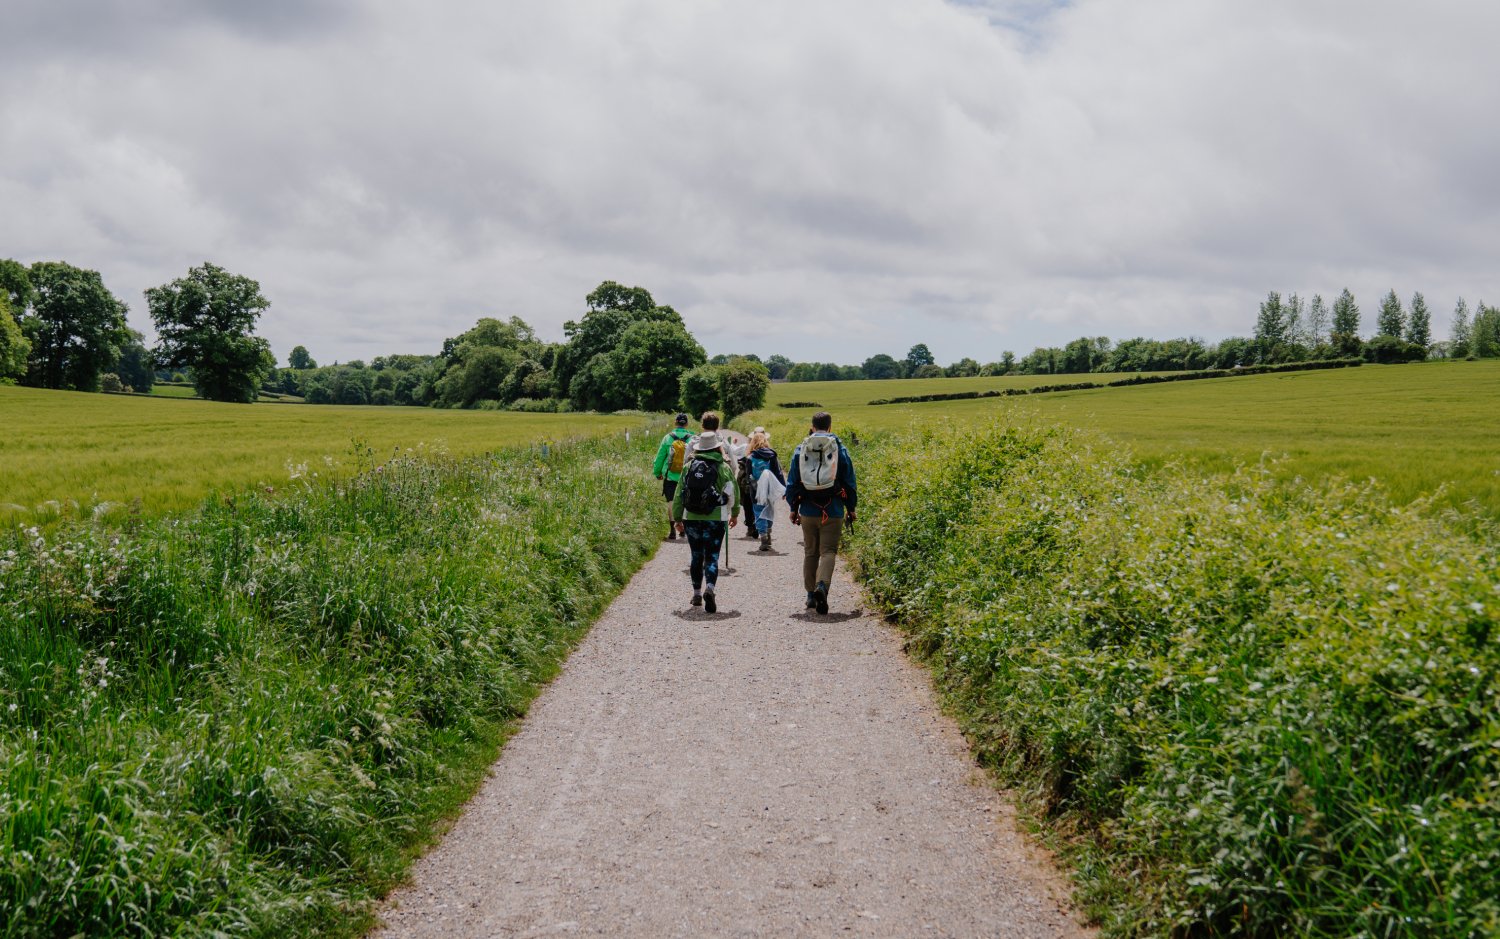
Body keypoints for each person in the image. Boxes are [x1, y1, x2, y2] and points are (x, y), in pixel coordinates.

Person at [784, 411, 857, 615]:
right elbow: (850, 482)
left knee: (810, 552)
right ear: (830, 427)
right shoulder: (839, 449)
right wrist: (851, 508)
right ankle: (822, 586)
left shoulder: (801, 449)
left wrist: (793, 508)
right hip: (833, 510)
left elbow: (792, 483)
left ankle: (810, 596)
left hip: (807, 509)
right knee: (829, 552)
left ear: (812, 426)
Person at [672, 430, 740, 612]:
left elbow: (679, 494)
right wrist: (734, 513)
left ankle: (696, 594)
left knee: (696, 555)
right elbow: (734, 491)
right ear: (718, 447)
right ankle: (709, 588)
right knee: (712, 556)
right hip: (715, 518)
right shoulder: (723, 467)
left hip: (692, 518)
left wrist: (677, 518)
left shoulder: (688, 467)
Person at [652, 413, 696, 540]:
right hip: (687, 476)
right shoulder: (692, 438)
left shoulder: (667, 438)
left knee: (671, 502)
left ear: (675, 423)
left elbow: (660, 457)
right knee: (685, 501)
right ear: (686, 424)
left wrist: (658, 472)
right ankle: (683, 529)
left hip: (670, 476)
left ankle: (672, 531)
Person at [745, 427, 786, 551]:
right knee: (769, 509)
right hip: (770, 489)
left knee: (758, 512)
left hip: (756, 490)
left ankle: (763, 536)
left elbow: (748, 476)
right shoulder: (772, 455)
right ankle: (768, 531)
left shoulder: (750, 457)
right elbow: (778, 473)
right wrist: (784, 489)